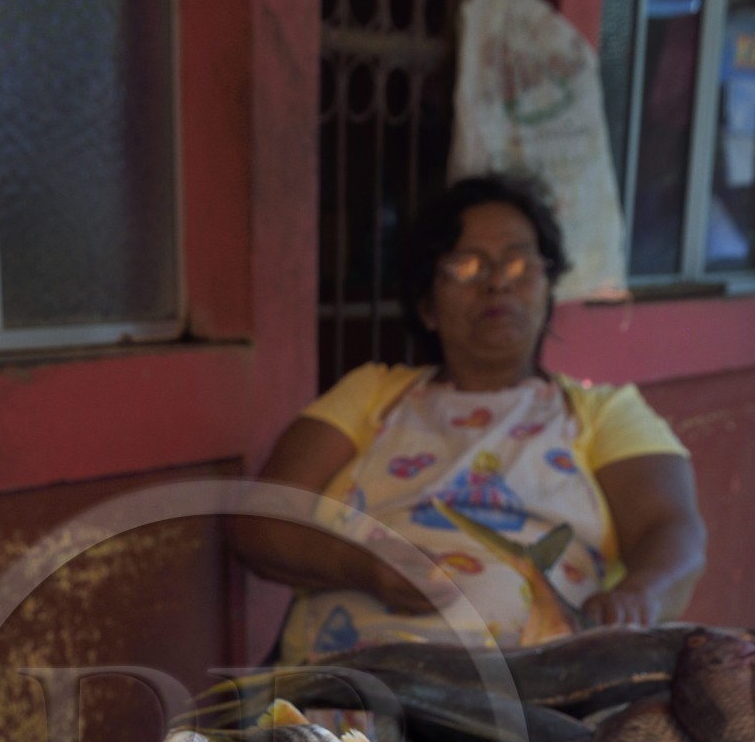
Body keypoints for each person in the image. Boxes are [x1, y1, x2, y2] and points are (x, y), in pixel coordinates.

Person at [230, 173, 708, 661]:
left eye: (521, 264)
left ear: (548, 292)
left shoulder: (604, 412)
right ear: (427, 306)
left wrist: (640, 596)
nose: (497, 281)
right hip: (352, 688)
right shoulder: (371, 394)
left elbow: (671, 529)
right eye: (465, 265)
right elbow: (260, 523)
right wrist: (364, 568)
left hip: (544, 697)